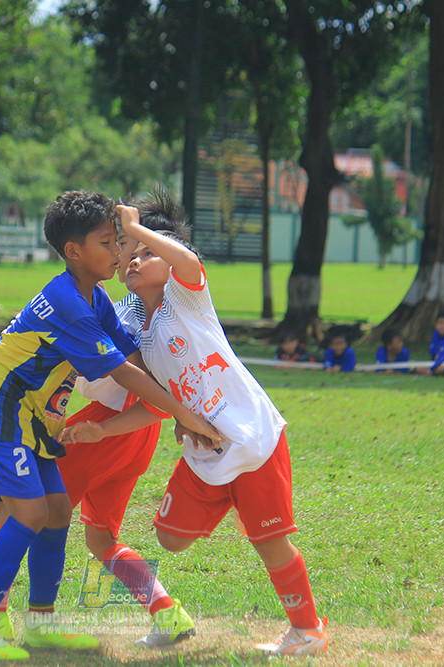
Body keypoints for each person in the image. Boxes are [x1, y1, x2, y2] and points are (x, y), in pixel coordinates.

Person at [0, 190, 221, 661]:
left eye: (118, 242)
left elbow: (132, 358)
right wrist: (183, 413)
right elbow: (123, 373)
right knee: (29, 514)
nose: (118, 253)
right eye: (109, 243)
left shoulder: (95, 297)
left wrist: (180, 407)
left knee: (57, 511)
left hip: (26, 412)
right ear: (74, 251)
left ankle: (42, 623)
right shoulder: (68, 302)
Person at [112, 199, 328, 657]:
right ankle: (234, 496)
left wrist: (138, 228)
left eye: (145, 253)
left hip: (252, 438)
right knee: (169, 538)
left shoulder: (185, 296)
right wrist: (177, 419)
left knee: (271, 544)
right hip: (206, 449)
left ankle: (307, 630)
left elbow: (186, 261)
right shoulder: (131, 317)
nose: (134, 259)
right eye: (128, 252)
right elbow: (148, 381)